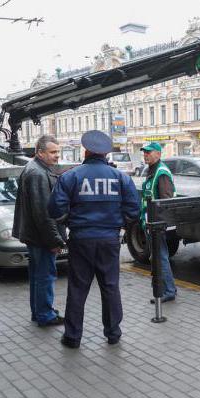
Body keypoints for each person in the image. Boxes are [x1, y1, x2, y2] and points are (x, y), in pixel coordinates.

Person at [48, 130, 139, 349]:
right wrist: (117, 221)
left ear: (86, 150)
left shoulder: (71, 176)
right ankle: (113, 333)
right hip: (109, 240)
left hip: (81, 240)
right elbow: (134, 211)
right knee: (110, 287)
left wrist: (71, 218)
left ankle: (72, 337)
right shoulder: (121, 178)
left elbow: (54, 209)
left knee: (78, 288)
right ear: (106, 153)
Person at [13, 135, 66, 327]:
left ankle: (39, 312)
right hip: (41, 238)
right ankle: (45, 314)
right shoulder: (37, 174)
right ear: (40, 152)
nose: (57, 156)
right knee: (45, 276)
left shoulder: (35, 168)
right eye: (52, 152)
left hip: (35, 236)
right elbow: (43, 213)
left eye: (58, 152)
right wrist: (54, 241)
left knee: (38, 276)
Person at [140, 142, 177, 304]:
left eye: (149, 152)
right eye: (144, 152)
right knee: (158, 257)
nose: (145, 155)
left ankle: (168, 291)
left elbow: (166, 201)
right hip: (150, 223)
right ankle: (166, 289)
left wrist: (159, 225)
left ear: (158, 154)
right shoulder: (152, 171)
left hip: (157, 225)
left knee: (160, 257)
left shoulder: (161, 172)